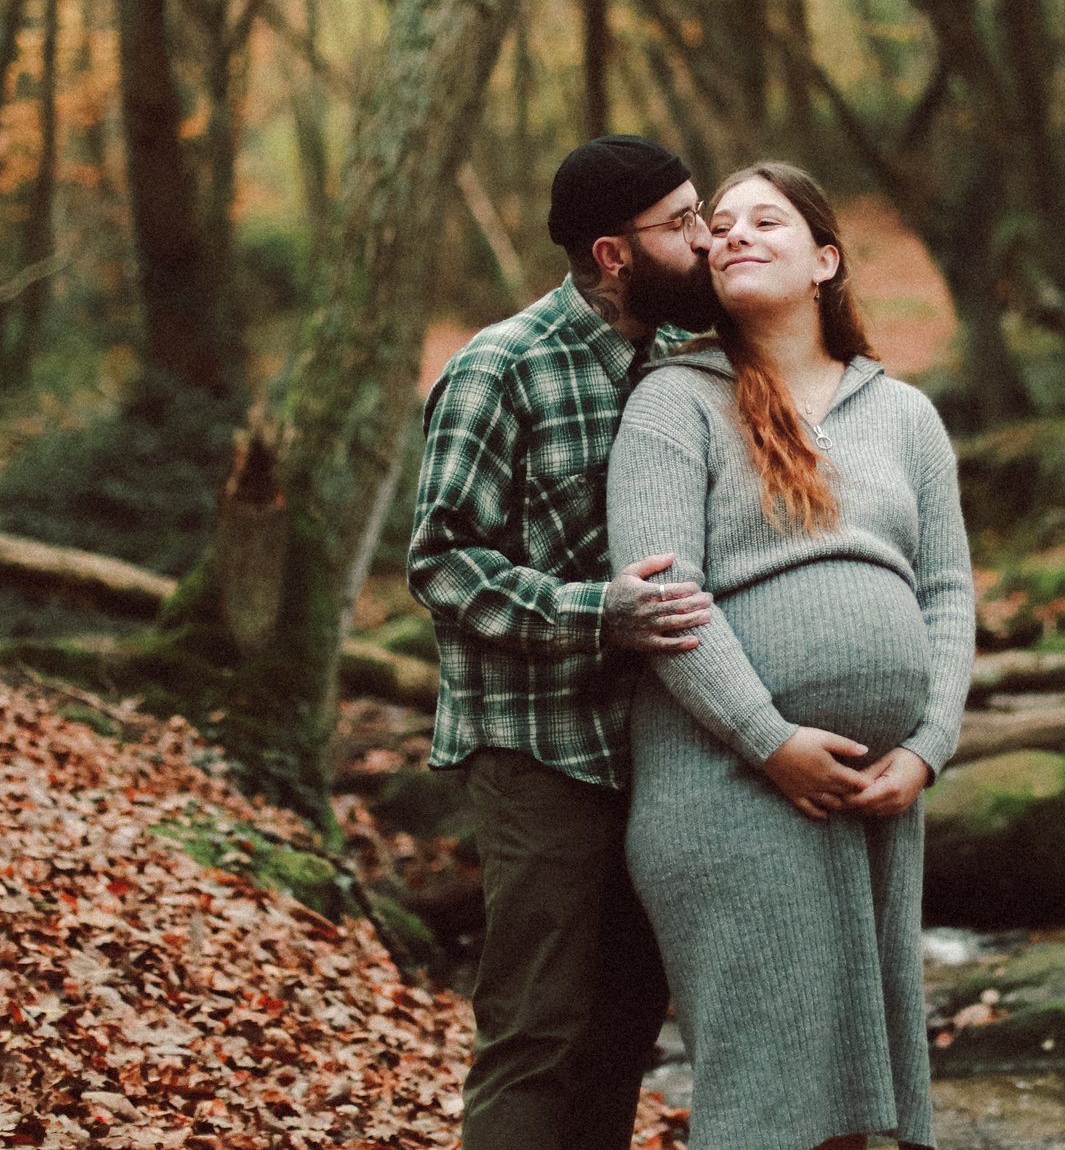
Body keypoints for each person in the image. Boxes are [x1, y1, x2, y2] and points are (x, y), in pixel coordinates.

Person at [606, 161, 976, 1150]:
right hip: (726, 780)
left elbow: (945, 592)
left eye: (764, 219)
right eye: (717, 223)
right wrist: (771, 740)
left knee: (857, 1107)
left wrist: (927, 746)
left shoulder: (904, 416)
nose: (732, 233)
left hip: (874, 797)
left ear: (826, 259)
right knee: (773, 1106)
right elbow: (661, 597)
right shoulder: (671, 402)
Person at [409, 134, 726, 1150]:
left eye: (701, 210)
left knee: (625, 1025)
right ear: (610, 252)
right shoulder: (499, 365)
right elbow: (441, 561)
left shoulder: (684, 361)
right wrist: (596, 611)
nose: (707, 236)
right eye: (680, 223)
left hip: (659, 747)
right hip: (537, 747)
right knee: (536, 1026)